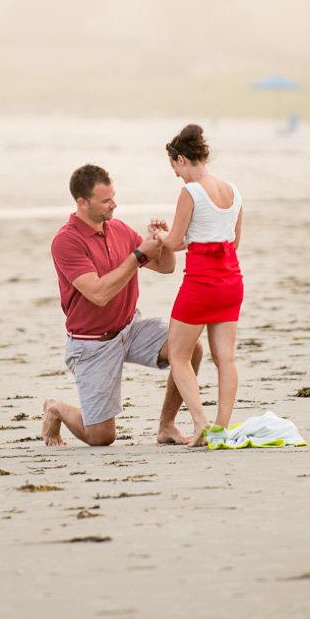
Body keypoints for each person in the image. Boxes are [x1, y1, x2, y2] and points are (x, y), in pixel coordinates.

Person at [45, 163, 203, 447]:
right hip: (92, 343)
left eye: (113, 197)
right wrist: (138, 257)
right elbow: (98, 293)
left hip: (129, 328)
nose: (114, 205)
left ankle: (166, 426)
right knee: (101, 437)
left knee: (190, 348)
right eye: (105, 200)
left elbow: (166, 268)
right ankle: (56, 408)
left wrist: (161, 242)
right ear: (82, 202)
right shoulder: (65, 241)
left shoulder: (117, 228)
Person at [153, 124, 244, 447]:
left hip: (201, 283)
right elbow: (233, 240)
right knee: (226, 359)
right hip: (231, 281)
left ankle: (200, 422)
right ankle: (220, 426)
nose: (176, 175)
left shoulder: (190, 192)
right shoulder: (233, 191)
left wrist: (160, 234)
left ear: (181, 159)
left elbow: (176, 243)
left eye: (174, 167)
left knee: (179, 354)